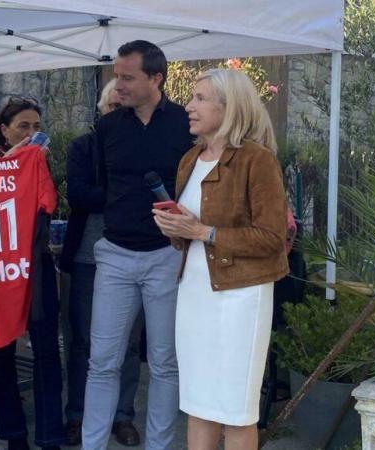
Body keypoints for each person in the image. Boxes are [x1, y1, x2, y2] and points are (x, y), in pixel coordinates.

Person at [152, 68, 289, 450]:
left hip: (240, 297)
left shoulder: (256, 160)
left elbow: (271, 238)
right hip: (194, 291)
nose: (188, 107)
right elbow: (190, 237)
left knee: (235, 409)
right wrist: (176, 230)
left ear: (228, 108)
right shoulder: (190, 159)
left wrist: (203, 232)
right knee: (198, 404)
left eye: (199, 99)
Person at [81, 40, 194, 450]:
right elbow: (98, 186)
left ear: (156, 78)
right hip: (114, 256)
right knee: (102, 363)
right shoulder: (107, 128)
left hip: (168, 256)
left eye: (128, 77)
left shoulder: (187, 123)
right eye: (118, 75)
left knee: (165, 364)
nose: (119, 84)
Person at [59, 78, 142, 447]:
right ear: (101, 111)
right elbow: (77, 194)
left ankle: (122, 416)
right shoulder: (84, 146)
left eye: (123, 111)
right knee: (84, 342)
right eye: (111, 109)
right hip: (88, 257)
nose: (115, 116)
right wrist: (124, 196)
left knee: (129, 343)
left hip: (137, 254)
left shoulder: (143, 147)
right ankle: (78, 414)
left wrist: (113, 197)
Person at [0, 97, 66, 450]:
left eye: (36, 127)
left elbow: (49, 204)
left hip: (36, 265)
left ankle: (50, 436)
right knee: (1, 350)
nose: (31, 134)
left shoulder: (37, 163)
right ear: (4, 131)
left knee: (46, 349)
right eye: (23, 127)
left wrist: (34, 165)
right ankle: (14, 434)